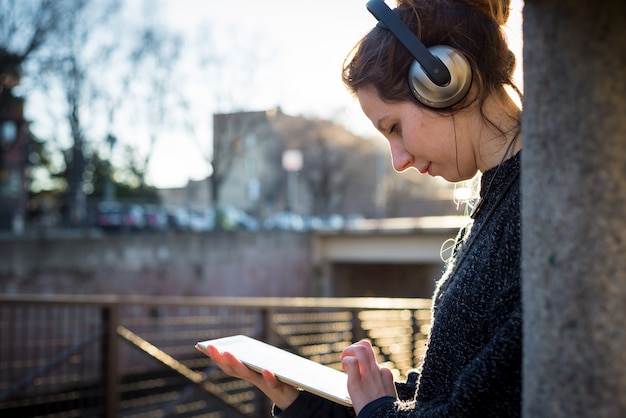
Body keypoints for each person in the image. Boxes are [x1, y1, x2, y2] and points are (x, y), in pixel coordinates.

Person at [202, 0, 522, 416]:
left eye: (394, 127)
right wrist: (310, 403)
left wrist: (378, 408)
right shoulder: (503, 200)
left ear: (446, 81)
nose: (398, 160)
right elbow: (451, 395)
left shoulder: (536, 211)